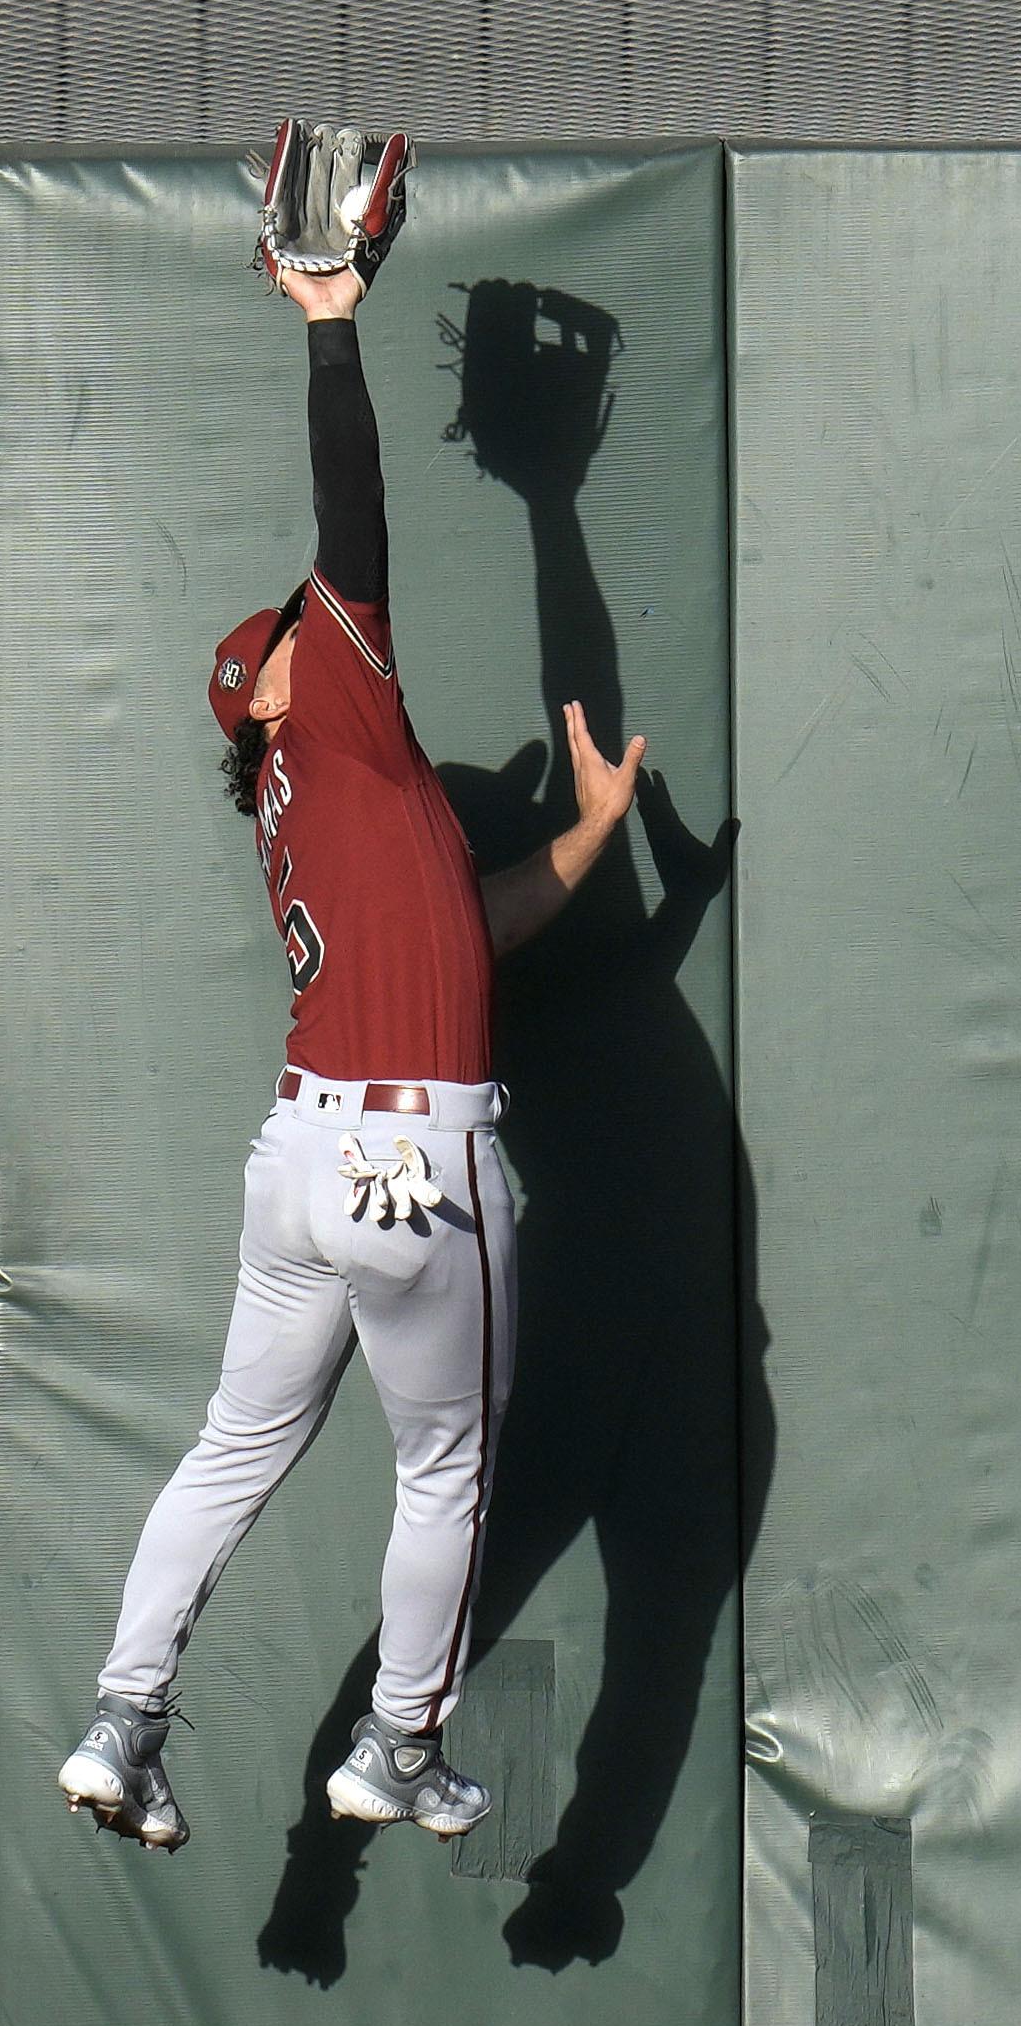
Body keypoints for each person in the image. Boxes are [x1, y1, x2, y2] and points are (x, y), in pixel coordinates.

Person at [57, 246, 645, 1853]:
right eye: (308, 636)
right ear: (291, 691)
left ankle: (127, 1713)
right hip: (414, 1154)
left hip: (303, 1159)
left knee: (233, 1447)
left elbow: (481, 923)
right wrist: (332, 330)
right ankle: (396, 1743)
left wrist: (590, 845)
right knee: (447, 1469)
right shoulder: (344, 720)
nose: (333, 628)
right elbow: (356, 519)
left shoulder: (337, 815)